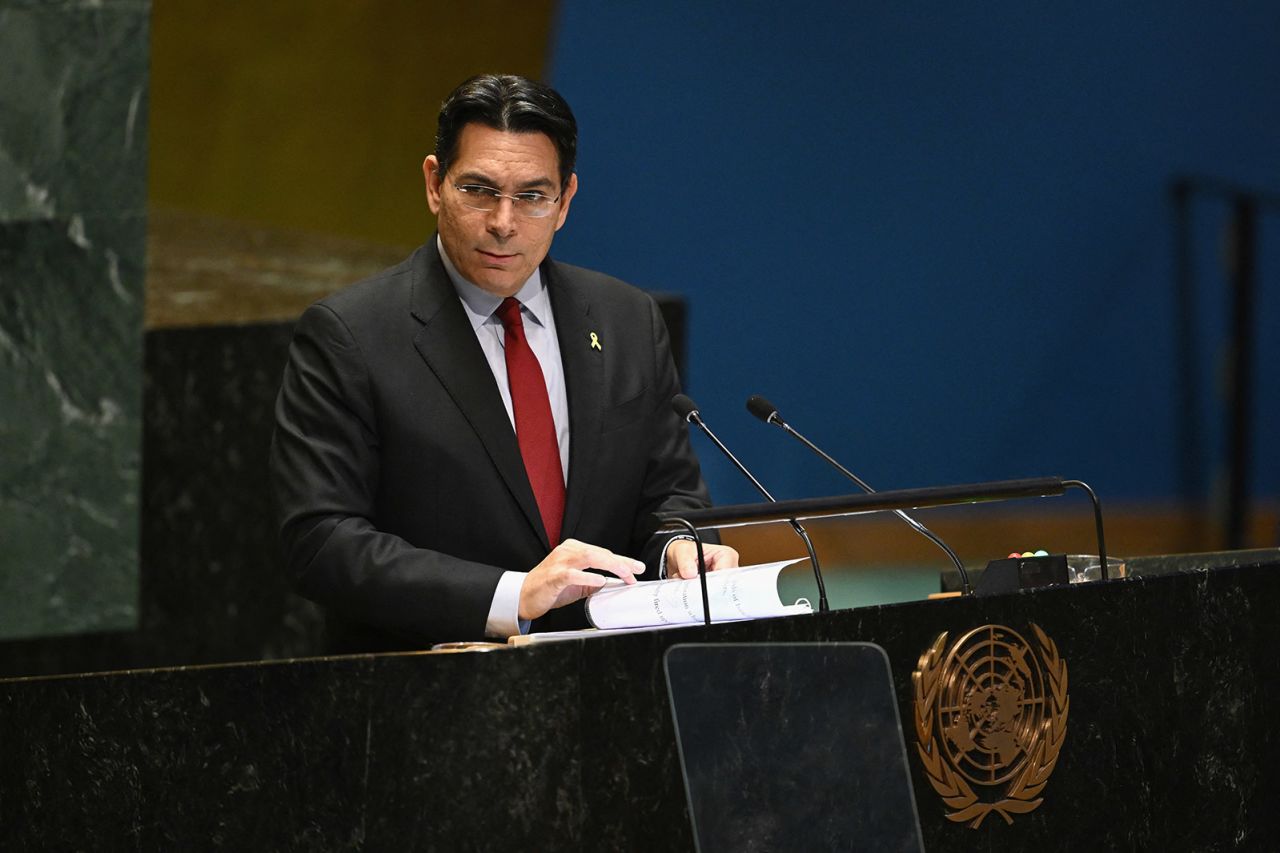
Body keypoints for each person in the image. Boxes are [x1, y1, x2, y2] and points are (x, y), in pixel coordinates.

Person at [270, 74, 737, 649]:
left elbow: (668, 492)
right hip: (426, 685)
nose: (503, 223)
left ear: (565, 201)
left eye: (532, 197)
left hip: (610, 682)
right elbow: (321, 540)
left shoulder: (625, 320)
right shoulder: (352, 335)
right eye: (479, 190)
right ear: (435, 184)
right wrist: (509, 596)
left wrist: (680, 545)